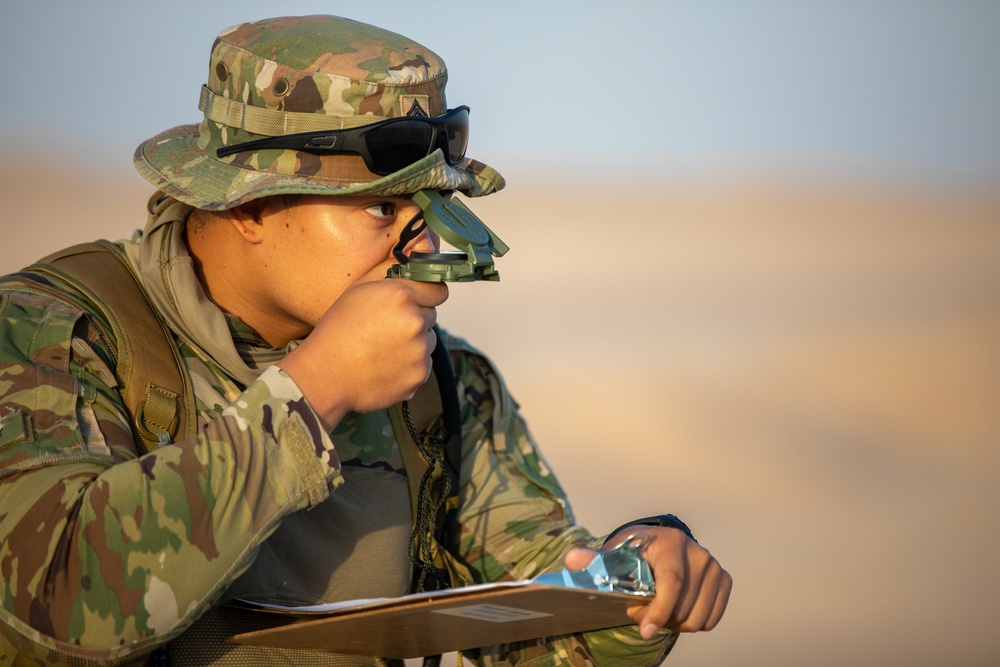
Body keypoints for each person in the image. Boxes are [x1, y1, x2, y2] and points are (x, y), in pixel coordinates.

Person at [0, 15, 731, 667]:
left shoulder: (441, 385)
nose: (424, 247)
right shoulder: (51, 333)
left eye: (434, 206)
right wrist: (315, 393)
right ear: (252, 203)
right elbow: (58, 603)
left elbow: (535, 635)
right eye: (382, 207)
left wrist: (636, 581)